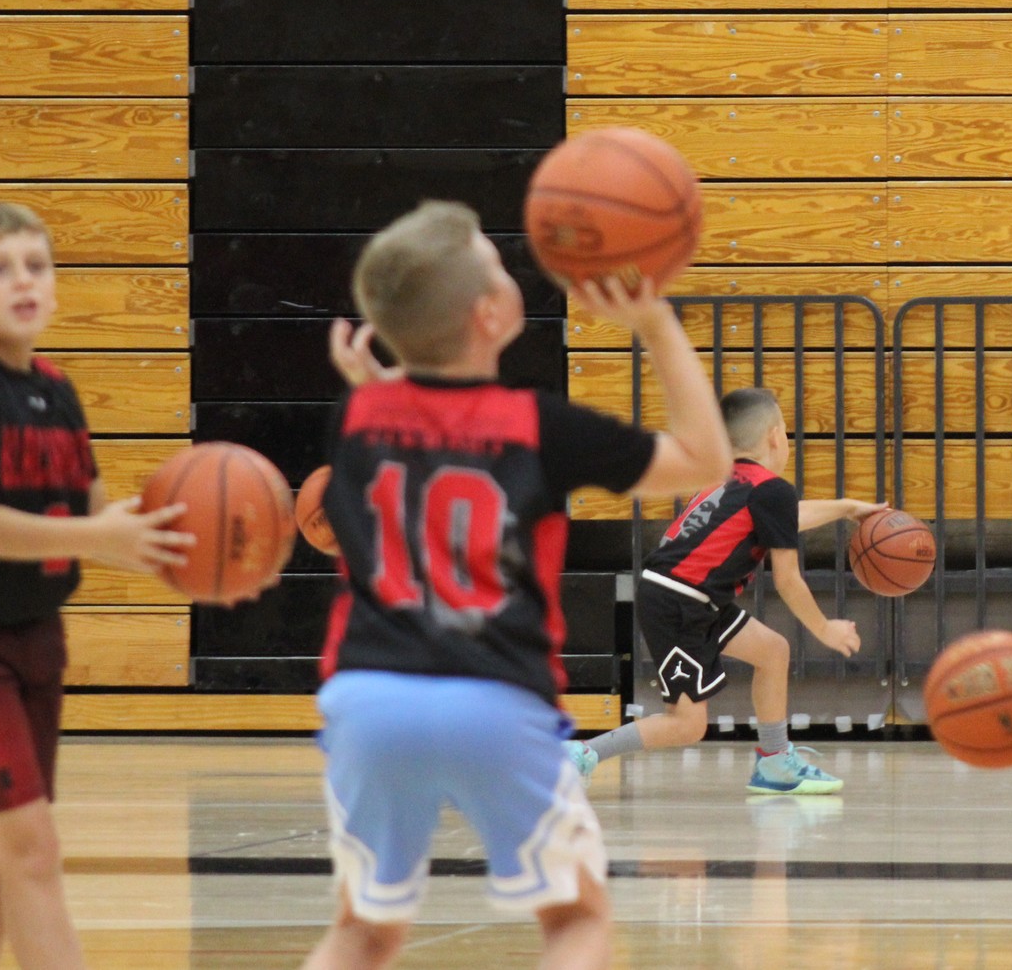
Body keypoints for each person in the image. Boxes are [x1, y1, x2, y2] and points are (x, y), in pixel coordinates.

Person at [302, 201, 729, 970]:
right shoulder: (540, 424)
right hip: (494, 695)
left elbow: (420, 421)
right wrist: (657, 322)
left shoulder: (356, 416)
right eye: (497, 264)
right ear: (492, 313)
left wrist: (385, 387)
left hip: (368, 697)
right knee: (575, 921)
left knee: (361, 932)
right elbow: (705, 457)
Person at [0, 200, 191, 970]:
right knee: (30, 848)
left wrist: (182, 554)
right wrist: (98, 537)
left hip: (37, 639)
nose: (23, 281)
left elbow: (101, 520)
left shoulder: (58, 389)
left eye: (36, 265)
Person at [570, 387, 879, 796]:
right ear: (775, 437)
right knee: (686, 724)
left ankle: (774, 762)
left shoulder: (730, 479)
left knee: (773, 651)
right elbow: (787, 579)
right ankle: (579, 755)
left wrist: (846, 507)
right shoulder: (770, 489)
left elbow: (786, 516)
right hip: (679, 601)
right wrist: (825, 629)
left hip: (688, 596)